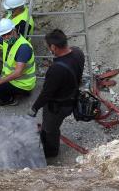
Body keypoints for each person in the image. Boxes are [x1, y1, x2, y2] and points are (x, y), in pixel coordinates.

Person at [31, 29, 85, 158]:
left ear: (53, 47)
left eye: (48, 47)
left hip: (58, 106)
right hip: (72, 98)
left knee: (50, 129)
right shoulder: (78, 52)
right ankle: (47, 140)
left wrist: (34, 107)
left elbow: (46, 93)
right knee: (50, 126)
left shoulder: (56, 69)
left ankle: (51, 152)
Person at [0, 0, 35, 74]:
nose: (8, 11)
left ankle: (3, 63)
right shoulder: (17, 11)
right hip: (5, 43)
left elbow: (13, 42)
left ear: (19, 8)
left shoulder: (23, 24)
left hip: (11, 48)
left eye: (10, 9)